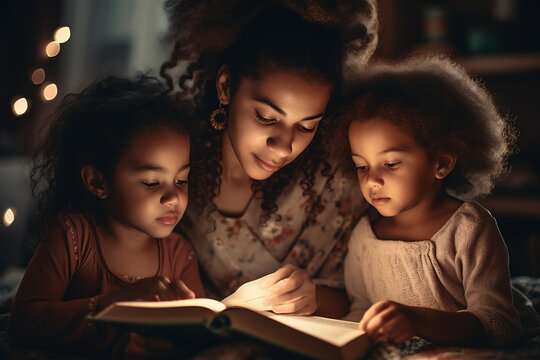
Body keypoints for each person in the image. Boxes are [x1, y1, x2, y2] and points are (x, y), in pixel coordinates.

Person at [159, 0, 378, 318]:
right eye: (266, 117)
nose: (283, 147)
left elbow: (354, 297)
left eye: (306, 126)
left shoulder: (337, 184)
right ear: (225, 87)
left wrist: (310, 296)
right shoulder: (169, 167)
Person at [342, 56, 540, 346]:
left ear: (442, 162)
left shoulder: (469, 229)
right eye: (361, 165)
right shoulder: (363, 234)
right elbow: (359, 312)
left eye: (391, 163)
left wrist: (417, 321)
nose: (372, 180)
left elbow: (500, 324)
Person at [9, 75, 205, 354]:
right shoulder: (72, 237)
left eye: (182, 180)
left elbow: (197, 331)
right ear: (98, 182)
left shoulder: (179, 254)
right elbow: (25, 321)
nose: (173, 197)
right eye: (151, 182)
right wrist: (116, 305)